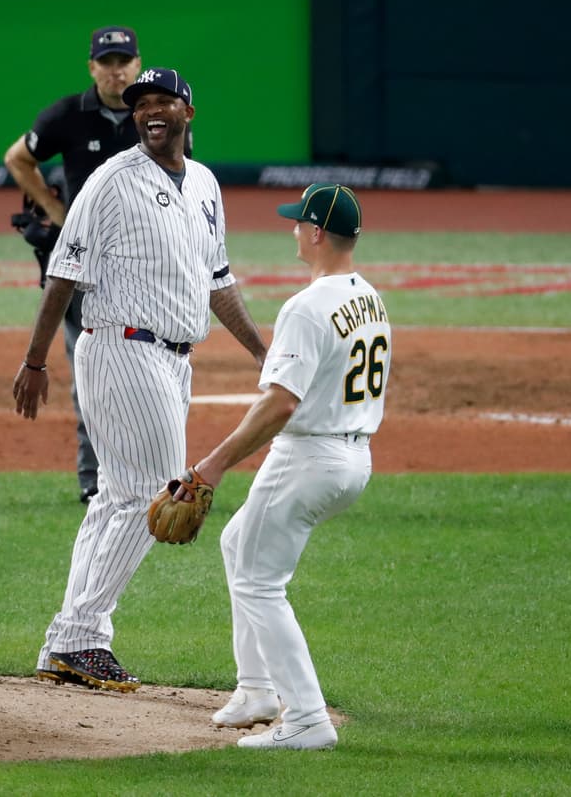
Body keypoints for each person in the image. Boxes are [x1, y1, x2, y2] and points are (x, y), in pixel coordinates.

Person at [13, 67, 267, 691]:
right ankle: (81, 636)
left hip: (173, 359)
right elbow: (63, 274)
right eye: (141, 104)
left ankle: (69, 642)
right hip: (121, 346)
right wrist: (37, 359)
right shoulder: (110, 180)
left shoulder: (205, 185)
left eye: (163, 101)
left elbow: (219, 284)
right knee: (153, 492)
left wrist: (266, 355)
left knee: (114, 499)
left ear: (189, 111)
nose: (151, 111)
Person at [187, 184, 389, 750]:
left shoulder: (306, 307)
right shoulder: (369, 296)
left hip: (309, 456)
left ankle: (305, 718)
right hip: (353, 455)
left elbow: (281, 402)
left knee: (259, 583)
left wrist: (212, 464)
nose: (292, 230)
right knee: (237, 543)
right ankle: (255, 690)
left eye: (299, 222)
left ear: (317, 233)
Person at [3, 25, 145, 504]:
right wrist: (56, 211)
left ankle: (145, 472)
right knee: (92, 374)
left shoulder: (154, 115)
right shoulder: (68, 114)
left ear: (138, 64)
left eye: (123, 60)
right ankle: (94, 480)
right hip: (82, 268)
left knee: (150, 372)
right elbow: (18, 158)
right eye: (106, 62)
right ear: (92, 68)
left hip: (143, 266)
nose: (116, 70)